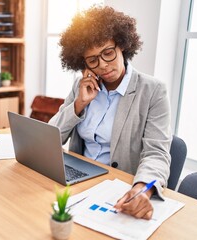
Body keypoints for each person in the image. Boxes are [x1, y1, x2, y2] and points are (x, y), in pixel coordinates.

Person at [48, 6, 172, 220]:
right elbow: (50, 137)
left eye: (107, 53)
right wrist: (79, 104)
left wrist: (143, 187)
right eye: (93, 60)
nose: (103, 65)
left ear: (122, 45)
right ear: (83, 63)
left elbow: (157, 153)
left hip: (118, 188)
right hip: (79, 182)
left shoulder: (153, 91)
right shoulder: (81, 85)